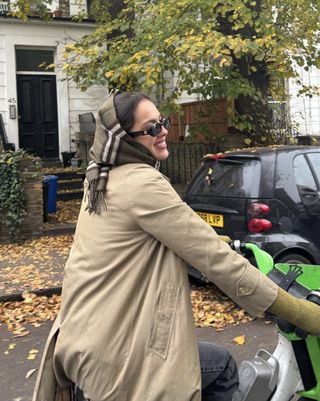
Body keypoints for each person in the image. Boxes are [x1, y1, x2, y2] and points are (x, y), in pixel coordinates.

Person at [33, 90, 320, 401]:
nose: (165, 132)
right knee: (222, 367)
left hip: (84, 337)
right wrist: (302, 314)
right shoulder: (143, 183)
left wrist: (220, 240)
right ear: (127, 139)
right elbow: (215, 259)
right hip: (118, 353)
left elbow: (151, 236)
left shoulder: (100, 179)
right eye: (152, 128)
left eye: (163, 122)